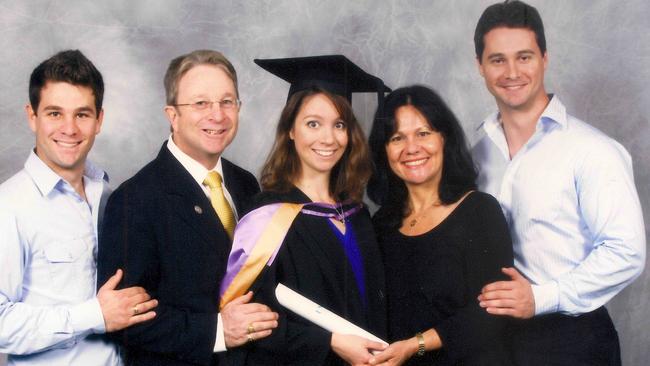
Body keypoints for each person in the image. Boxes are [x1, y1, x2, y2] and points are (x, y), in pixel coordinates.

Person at [471, 1, 646, 365]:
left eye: (524, 57)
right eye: (497, 59)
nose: (512, 71)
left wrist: (541, 298)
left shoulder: (592, 150)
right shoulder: (474, 154)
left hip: (573, 339)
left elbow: (627, 252)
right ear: (480, 67)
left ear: (544, 59)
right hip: (494, 339)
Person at [97, 50, 278, 366]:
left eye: (226, 102)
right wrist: (218, 331)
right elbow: (125, 321)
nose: (217, 115)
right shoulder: (134, 199)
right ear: (172, 114)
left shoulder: (245, 183)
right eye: (201, 103)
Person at [219, 55, 389, 365]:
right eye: (313, 123)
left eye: (339, 125)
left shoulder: (358, 214)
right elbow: (252, 324)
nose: (328, 138)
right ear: (291, 130)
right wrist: (330, 343)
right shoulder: (267, 216)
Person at [0, 50, 157, 366]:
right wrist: (94, 315)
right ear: (32, 116)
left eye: (82, 114)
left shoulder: (111, 195)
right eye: (55, 113)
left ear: (99, 120)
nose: (69, 129)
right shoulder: (9, 206)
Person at [365, 85, 514, 365]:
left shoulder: (479, 211)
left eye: (423, 133)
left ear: (444, 138)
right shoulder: (380, 225)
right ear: (384, 150)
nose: (412, 148)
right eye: (397, 138)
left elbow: (494, 312)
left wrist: (415, 345)